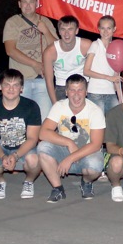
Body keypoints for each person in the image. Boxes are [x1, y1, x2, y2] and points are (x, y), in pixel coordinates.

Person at [37, 73, 106, 202]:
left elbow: (96, 144)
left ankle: (86, 182)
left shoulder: (95, 111)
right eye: (72, 90)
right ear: (66, 92)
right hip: (64, 149)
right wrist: (68, 142)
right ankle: (58, 188)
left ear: (86, 92)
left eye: (80, 90)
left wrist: (70, 158)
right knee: (43, 147)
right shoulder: (59, 106)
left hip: (87, 152)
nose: (76, 94)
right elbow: (43, 133)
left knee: (95, 165)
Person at [0, 69, 43, 200]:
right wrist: (3, 156)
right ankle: (0, 182)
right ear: (0, 87)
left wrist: (15, 155)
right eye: (7, 84)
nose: (11, 88)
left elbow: (32, 139)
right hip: (1, 147)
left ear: (21, 88)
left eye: (15, 85)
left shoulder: (31, 106)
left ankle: (29, 181)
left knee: (35, 161)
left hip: (23, 146)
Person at [2, 0, 58, 119]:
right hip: (21, 82)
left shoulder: (45, 21)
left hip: (43, 80)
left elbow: (57, 47)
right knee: (21, 119)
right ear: (19, 4)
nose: (28, 5)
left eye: (31, 1)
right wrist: (35, 64)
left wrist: (46, 31)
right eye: (24, 2)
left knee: (45, 119)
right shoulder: (12, 22)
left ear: (36, 3)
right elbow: (10, 50)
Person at [43, 15, 91, 106]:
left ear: (76, 30)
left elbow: (96, 69)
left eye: (70, 29)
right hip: (62, 86)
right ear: (59, 31)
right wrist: (55, 104)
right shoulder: (50, 52)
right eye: (63, 29)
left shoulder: (86, 45)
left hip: (84, 85)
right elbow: (49, 80)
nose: (66, 33)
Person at [84, 15, 123, 113]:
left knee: (113, 124)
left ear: (114, 29)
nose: (105, 32)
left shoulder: (115, 47)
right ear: (98, 29)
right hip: (95, 92)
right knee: (98, 124)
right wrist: (108, 78)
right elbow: (86, 71)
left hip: (110, 92)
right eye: (102, 28)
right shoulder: (95, 45)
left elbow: (116, 76)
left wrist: (121, 99)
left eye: (109, 28)